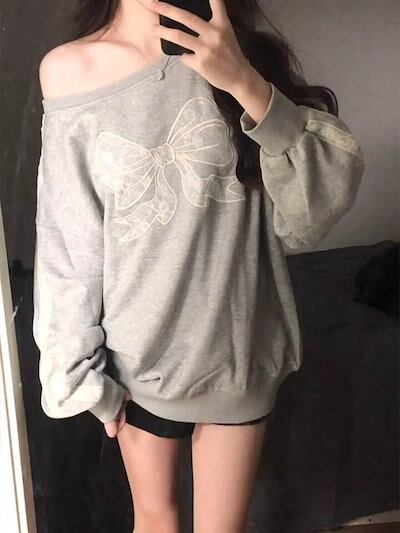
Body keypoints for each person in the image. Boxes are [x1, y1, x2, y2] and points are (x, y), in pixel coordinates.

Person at [33, 0, 365, 531]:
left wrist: (246, 84)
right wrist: (76, 371)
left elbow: (311, 213)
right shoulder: (71, 69)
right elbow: (68, 240)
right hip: (139, 360)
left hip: (239, 352)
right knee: (155, 521)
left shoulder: (242, 55)